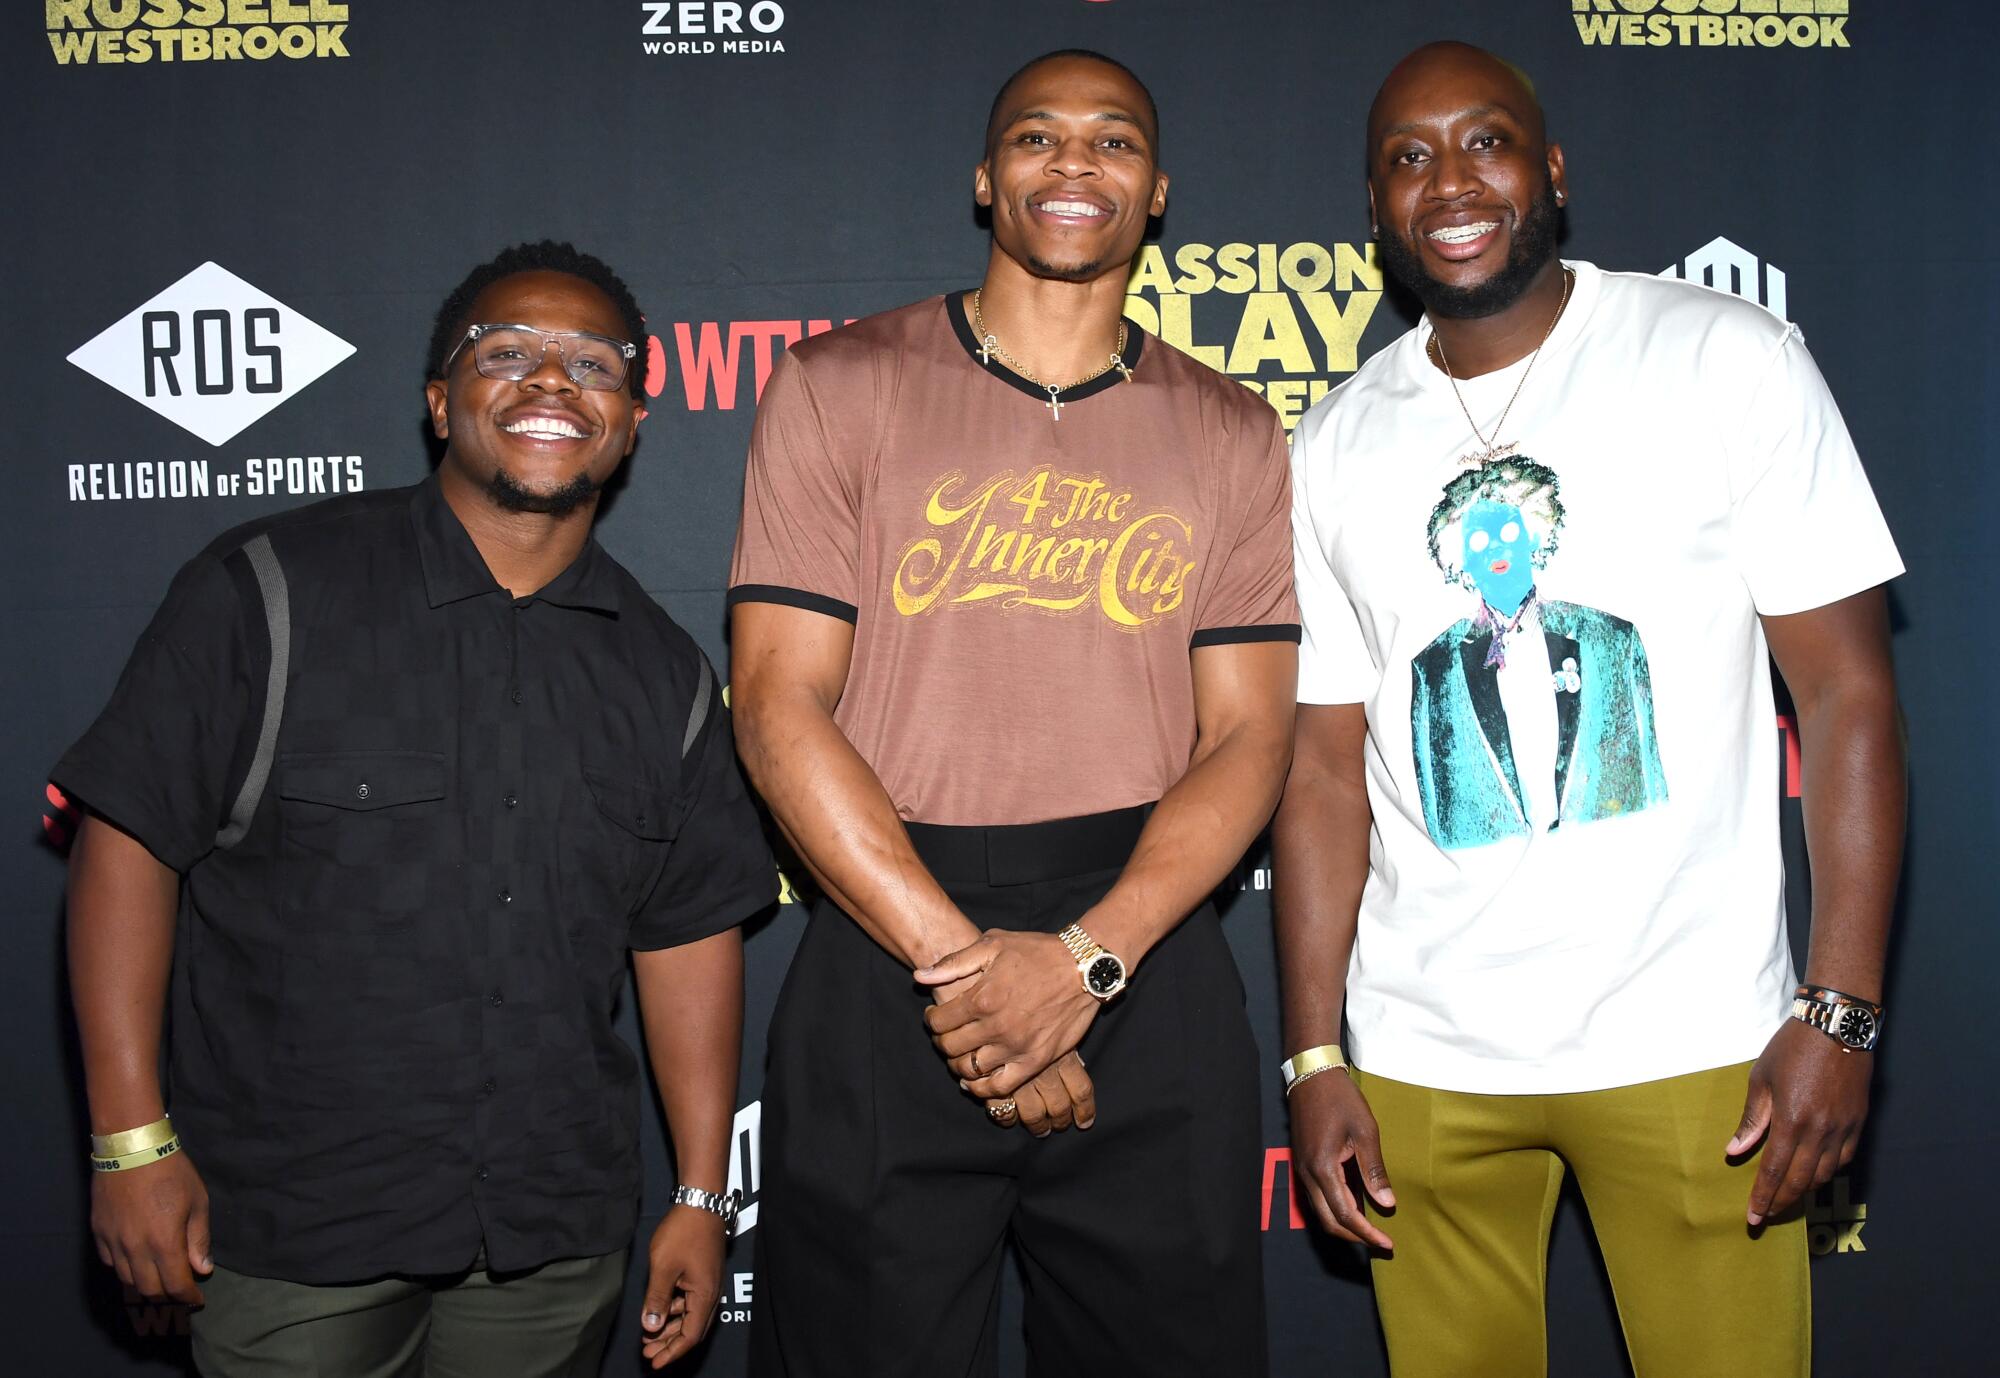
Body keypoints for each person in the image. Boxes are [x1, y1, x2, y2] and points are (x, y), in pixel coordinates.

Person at [1275, 41, 1905, 1377]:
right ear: (1376, 209)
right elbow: (1323, 770)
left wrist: (1840, 1008)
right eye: (1407, 156)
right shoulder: (1333, 442)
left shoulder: (1723, 358)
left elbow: (1847, 693)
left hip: (1697, 1051)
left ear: (1550, 168)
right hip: (1420, 1060)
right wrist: (1315, 1050)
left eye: (1484, 140)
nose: (1449, 178)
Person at [57, 241, 775, 1376]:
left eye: (593, 362)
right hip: (293, 1235)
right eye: (506, 353)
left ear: (633, 421)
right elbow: (129, 846)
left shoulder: (666, 673)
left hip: (549, 1245)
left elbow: (684, 933)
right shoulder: (270, 589)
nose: (551, 380)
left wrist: (698, 1191)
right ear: (442, 403)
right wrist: (129, 1143)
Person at [729, 49, 1297, 1378]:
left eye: (1114, 142)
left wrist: (1086, 961)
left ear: (1156, 192)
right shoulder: (839, 384)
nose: (1075, 165)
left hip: (1143, 948)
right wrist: (978, 977)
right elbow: (775, 700)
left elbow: (1251, 738)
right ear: (987, 180)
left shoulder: (1231, 429)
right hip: (890, 933)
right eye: (1039, 138)